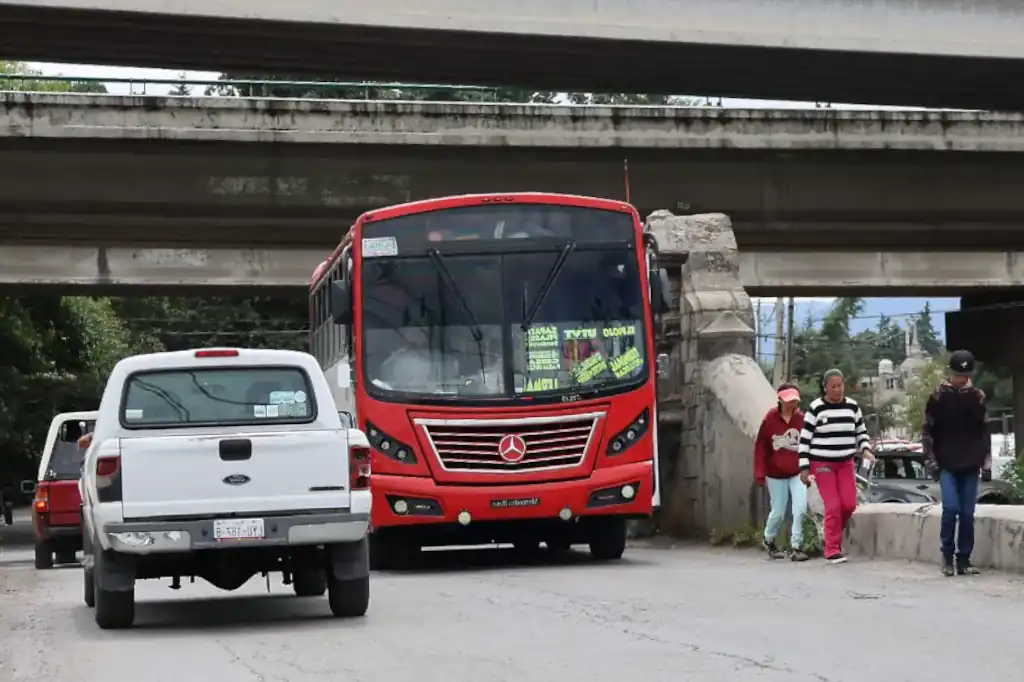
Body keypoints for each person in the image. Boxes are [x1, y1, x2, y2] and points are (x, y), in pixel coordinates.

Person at [922, 349, 990, 577]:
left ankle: (964, 559)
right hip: (947, 462)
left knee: (968, 513)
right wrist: (931, 461)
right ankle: (947, 556)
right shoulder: (939, 396)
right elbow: (928, 430)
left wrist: (986, 462)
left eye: (967, 375)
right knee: (950, 509)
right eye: (960, 374)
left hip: (970, 463)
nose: (963, 379)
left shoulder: (977, 396)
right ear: (952, 372)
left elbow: (984, 431)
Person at [798, 368, 874, 564]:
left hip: (845, 462)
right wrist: (804, 467)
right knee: (833, 505)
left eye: (840, 385)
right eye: (833, 386)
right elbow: (804, 440)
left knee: (848, 504)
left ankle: (830, 532)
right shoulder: (816, 408)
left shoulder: (852, 407)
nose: (838, 390)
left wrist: (865, 449)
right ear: (825, 388)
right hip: (822, 462)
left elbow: (861, 431)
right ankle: (832, 549)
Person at [754, 383, 809, 562]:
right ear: (781, 400)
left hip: (796, 472)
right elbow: (761, 447)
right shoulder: (770, 418)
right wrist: (760, 473)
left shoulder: (801, 419)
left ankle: (796, 546)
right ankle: (769, 540)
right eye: (789, 400)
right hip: (775, 473)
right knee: (778, 510)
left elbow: (809, 444)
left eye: (795, 400)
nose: (793, 404)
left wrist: (809, 469)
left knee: (800, 508)